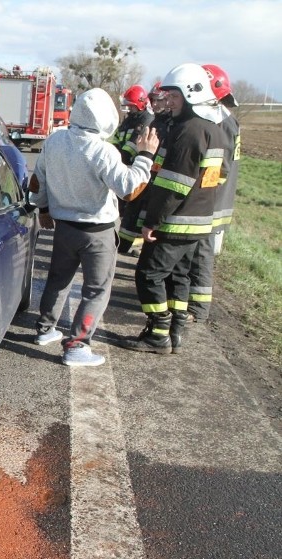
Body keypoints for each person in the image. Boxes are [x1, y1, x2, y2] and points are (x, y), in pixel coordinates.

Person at [29, 87, 157, 367]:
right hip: (97, 232)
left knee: (58, 279)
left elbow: (38, 181)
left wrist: (44, 209)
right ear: (106, 118)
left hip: (64, 227)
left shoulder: (55, 141)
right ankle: (77, 346)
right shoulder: (103, 150)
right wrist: (145, 156)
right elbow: (129, 189)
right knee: (96, 290)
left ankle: (45, 329)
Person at [120, 63, 226, 355]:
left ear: (192, 94)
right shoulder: (214, 130)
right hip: (199, 222)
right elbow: (219, 176)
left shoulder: (188, 130)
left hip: (176, 222)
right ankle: (176, 331)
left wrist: (151, 220)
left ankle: (158, 334)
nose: (169, 101)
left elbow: (173, 185)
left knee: (148, 274)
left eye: (175, 96)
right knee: (178, 276)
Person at [184, 64, 241, 323]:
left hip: (213, 201)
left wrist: (197, 194)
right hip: (212, 199)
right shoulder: (223, 119)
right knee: (197, 252)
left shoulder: (223, 122)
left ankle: (198, 309)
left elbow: (221, 168)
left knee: (202, 254)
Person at [117, 82, 172, 254]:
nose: (154, 104)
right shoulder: (154, 120)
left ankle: (134, 246)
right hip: (143, 168)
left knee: (143, 213)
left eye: (158, 100)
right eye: (152, 100)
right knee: (134, 211)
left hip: (155, 174)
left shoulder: (156, 121)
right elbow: (132, 144)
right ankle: (124, 246)